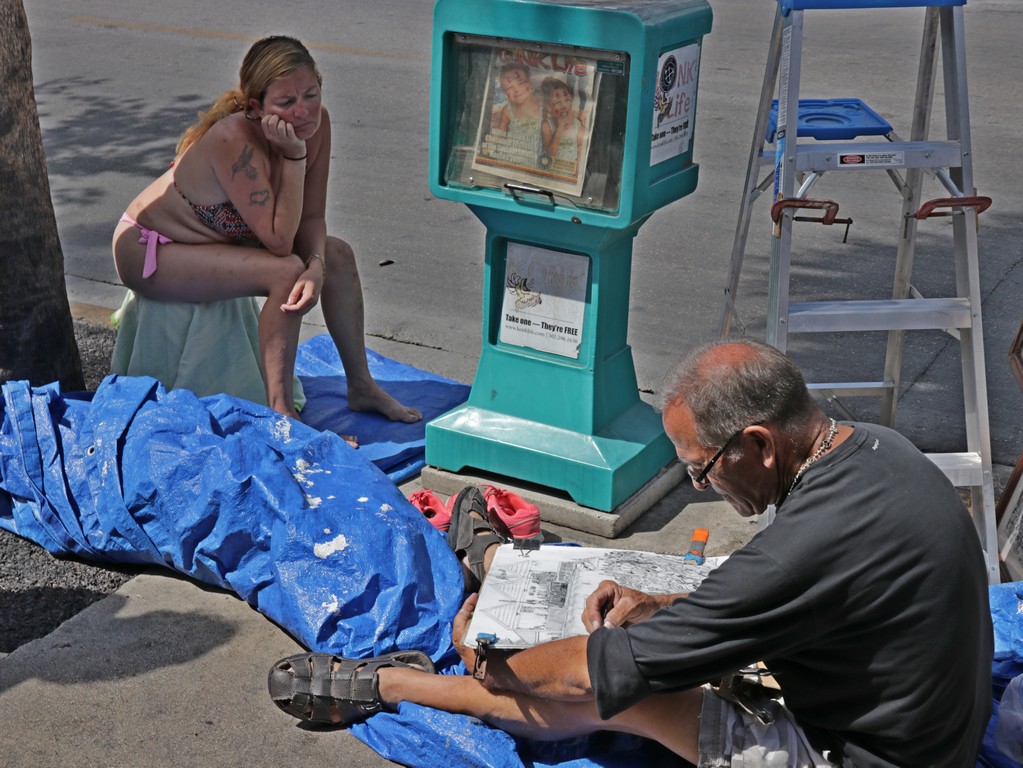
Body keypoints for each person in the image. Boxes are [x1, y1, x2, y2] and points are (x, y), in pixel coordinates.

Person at [267, 340, 994, 767]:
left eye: (702, 471)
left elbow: (593, 671)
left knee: (621, 696)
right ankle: (505, 568)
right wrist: (669, 609)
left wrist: (497, 663)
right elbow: (800, 592)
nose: (702, 487)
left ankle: (397, 686)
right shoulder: (876, 449)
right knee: (650, 623)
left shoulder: (804, 548)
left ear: (759, 445)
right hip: (925, 732)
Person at [112, 36, 421, 428]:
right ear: (256, 108)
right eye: (286, 102)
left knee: (338, 255)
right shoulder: (233, 140)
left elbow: (311, 219)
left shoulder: (317, 124)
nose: (303, 111)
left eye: (311, 94)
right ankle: (282, 413)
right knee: (285, 271)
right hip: (150, 250)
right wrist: (294, 156)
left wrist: (318, 266)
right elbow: (278, 243)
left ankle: (361, 386)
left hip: (217, 243)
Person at [540, 76, 586, 166]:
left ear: (571, 100)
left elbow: (580, 150)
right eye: (557, 102)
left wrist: (577, 171)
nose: (564, 106)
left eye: (567, 100)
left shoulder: (577, 124)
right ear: (549, 107)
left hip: (570, 169)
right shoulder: (547, 125)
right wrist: (559, 128)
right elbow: (550, 154)